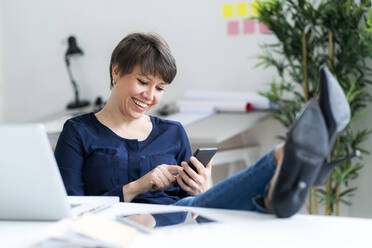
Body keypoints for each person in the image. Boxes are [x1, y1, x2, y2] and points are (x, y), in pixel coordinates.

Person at [55, 33, 351, 225]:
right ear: (116, 71)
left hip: (181, 218)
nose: (150, 96)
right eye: (143, 82)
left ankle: (278, 178)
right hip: (124, 225)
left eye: (160, 88)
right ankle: (281, 164)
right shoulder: (78, 132)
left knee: (205, 205)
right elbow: (70, 211)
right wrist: (138, 187)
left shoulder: (173, 131)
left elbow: (198, 205)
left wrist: (201, 186)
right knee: (176, 213)